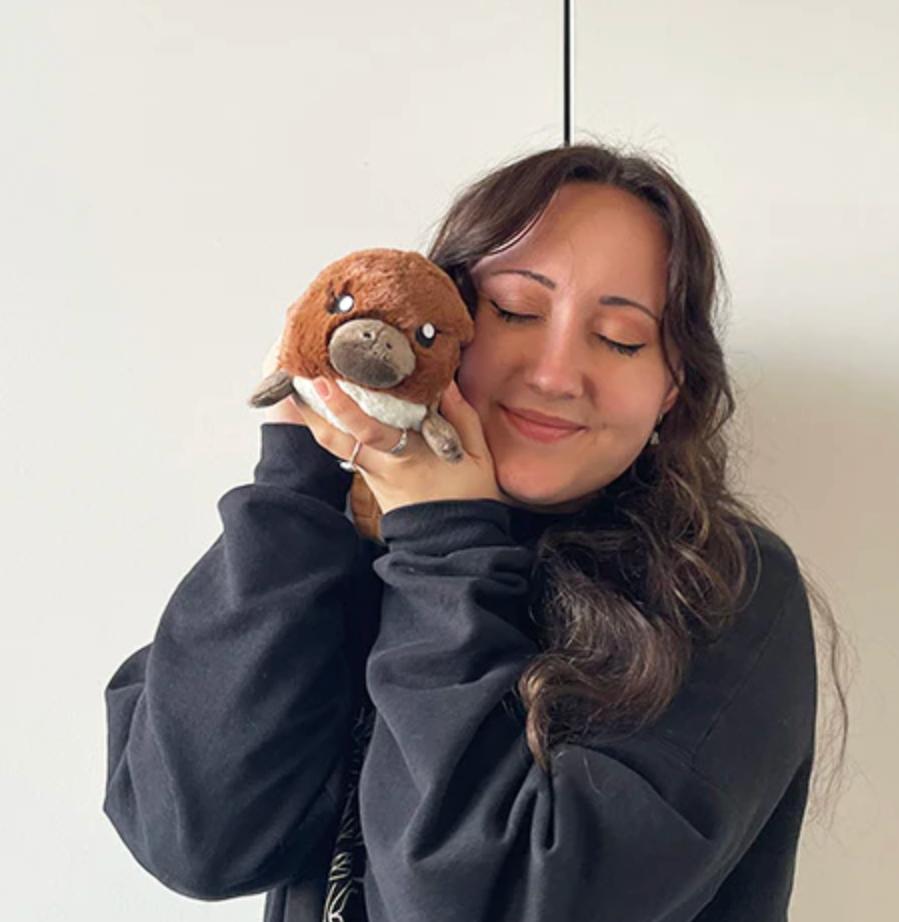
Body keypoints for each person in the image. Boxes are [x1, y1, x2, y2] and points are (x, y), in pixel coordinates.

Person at [103, 143, 849, 922]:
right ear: (438, 320)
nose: (556, 372)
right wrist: (299, 484)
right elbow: (191, 835)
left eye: (622, 337)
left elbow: (492, 901)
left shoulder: (721, 587)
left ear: (672, 389)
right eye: (517, 312)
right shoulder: (345, 539)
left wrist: (447, 544)